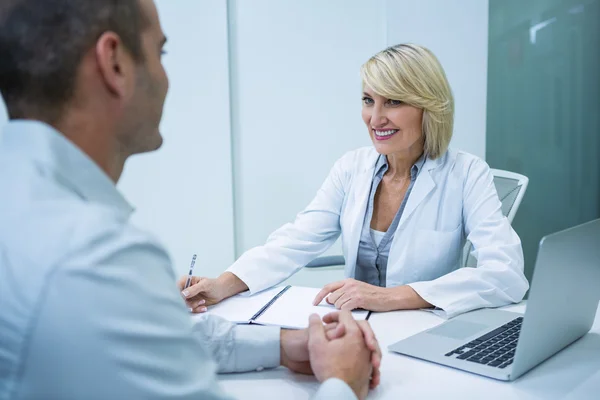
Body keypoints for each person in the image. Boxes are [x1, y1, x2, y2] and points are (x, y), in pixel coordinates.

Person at [0, 1, 381, 399]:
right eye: (159, 53)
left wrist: (283, 345)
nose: (166, 77)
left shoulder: (24, 205)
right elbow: (296, 238)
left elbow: (143, 339)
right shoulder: (91, 257)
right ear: (114, 63)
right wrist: (343, 381)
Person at [181, 44, 529, 319]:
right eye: (368, 100)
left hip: (422, 328)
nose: (375, 118)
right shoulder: (352, 168)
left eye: (393, 101)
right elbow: (292, 242)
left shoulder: (467, 174)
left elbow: (507, 275)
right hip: (353, 326)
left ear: (429, 107)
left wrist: (389, 298)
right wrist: (221, 286)